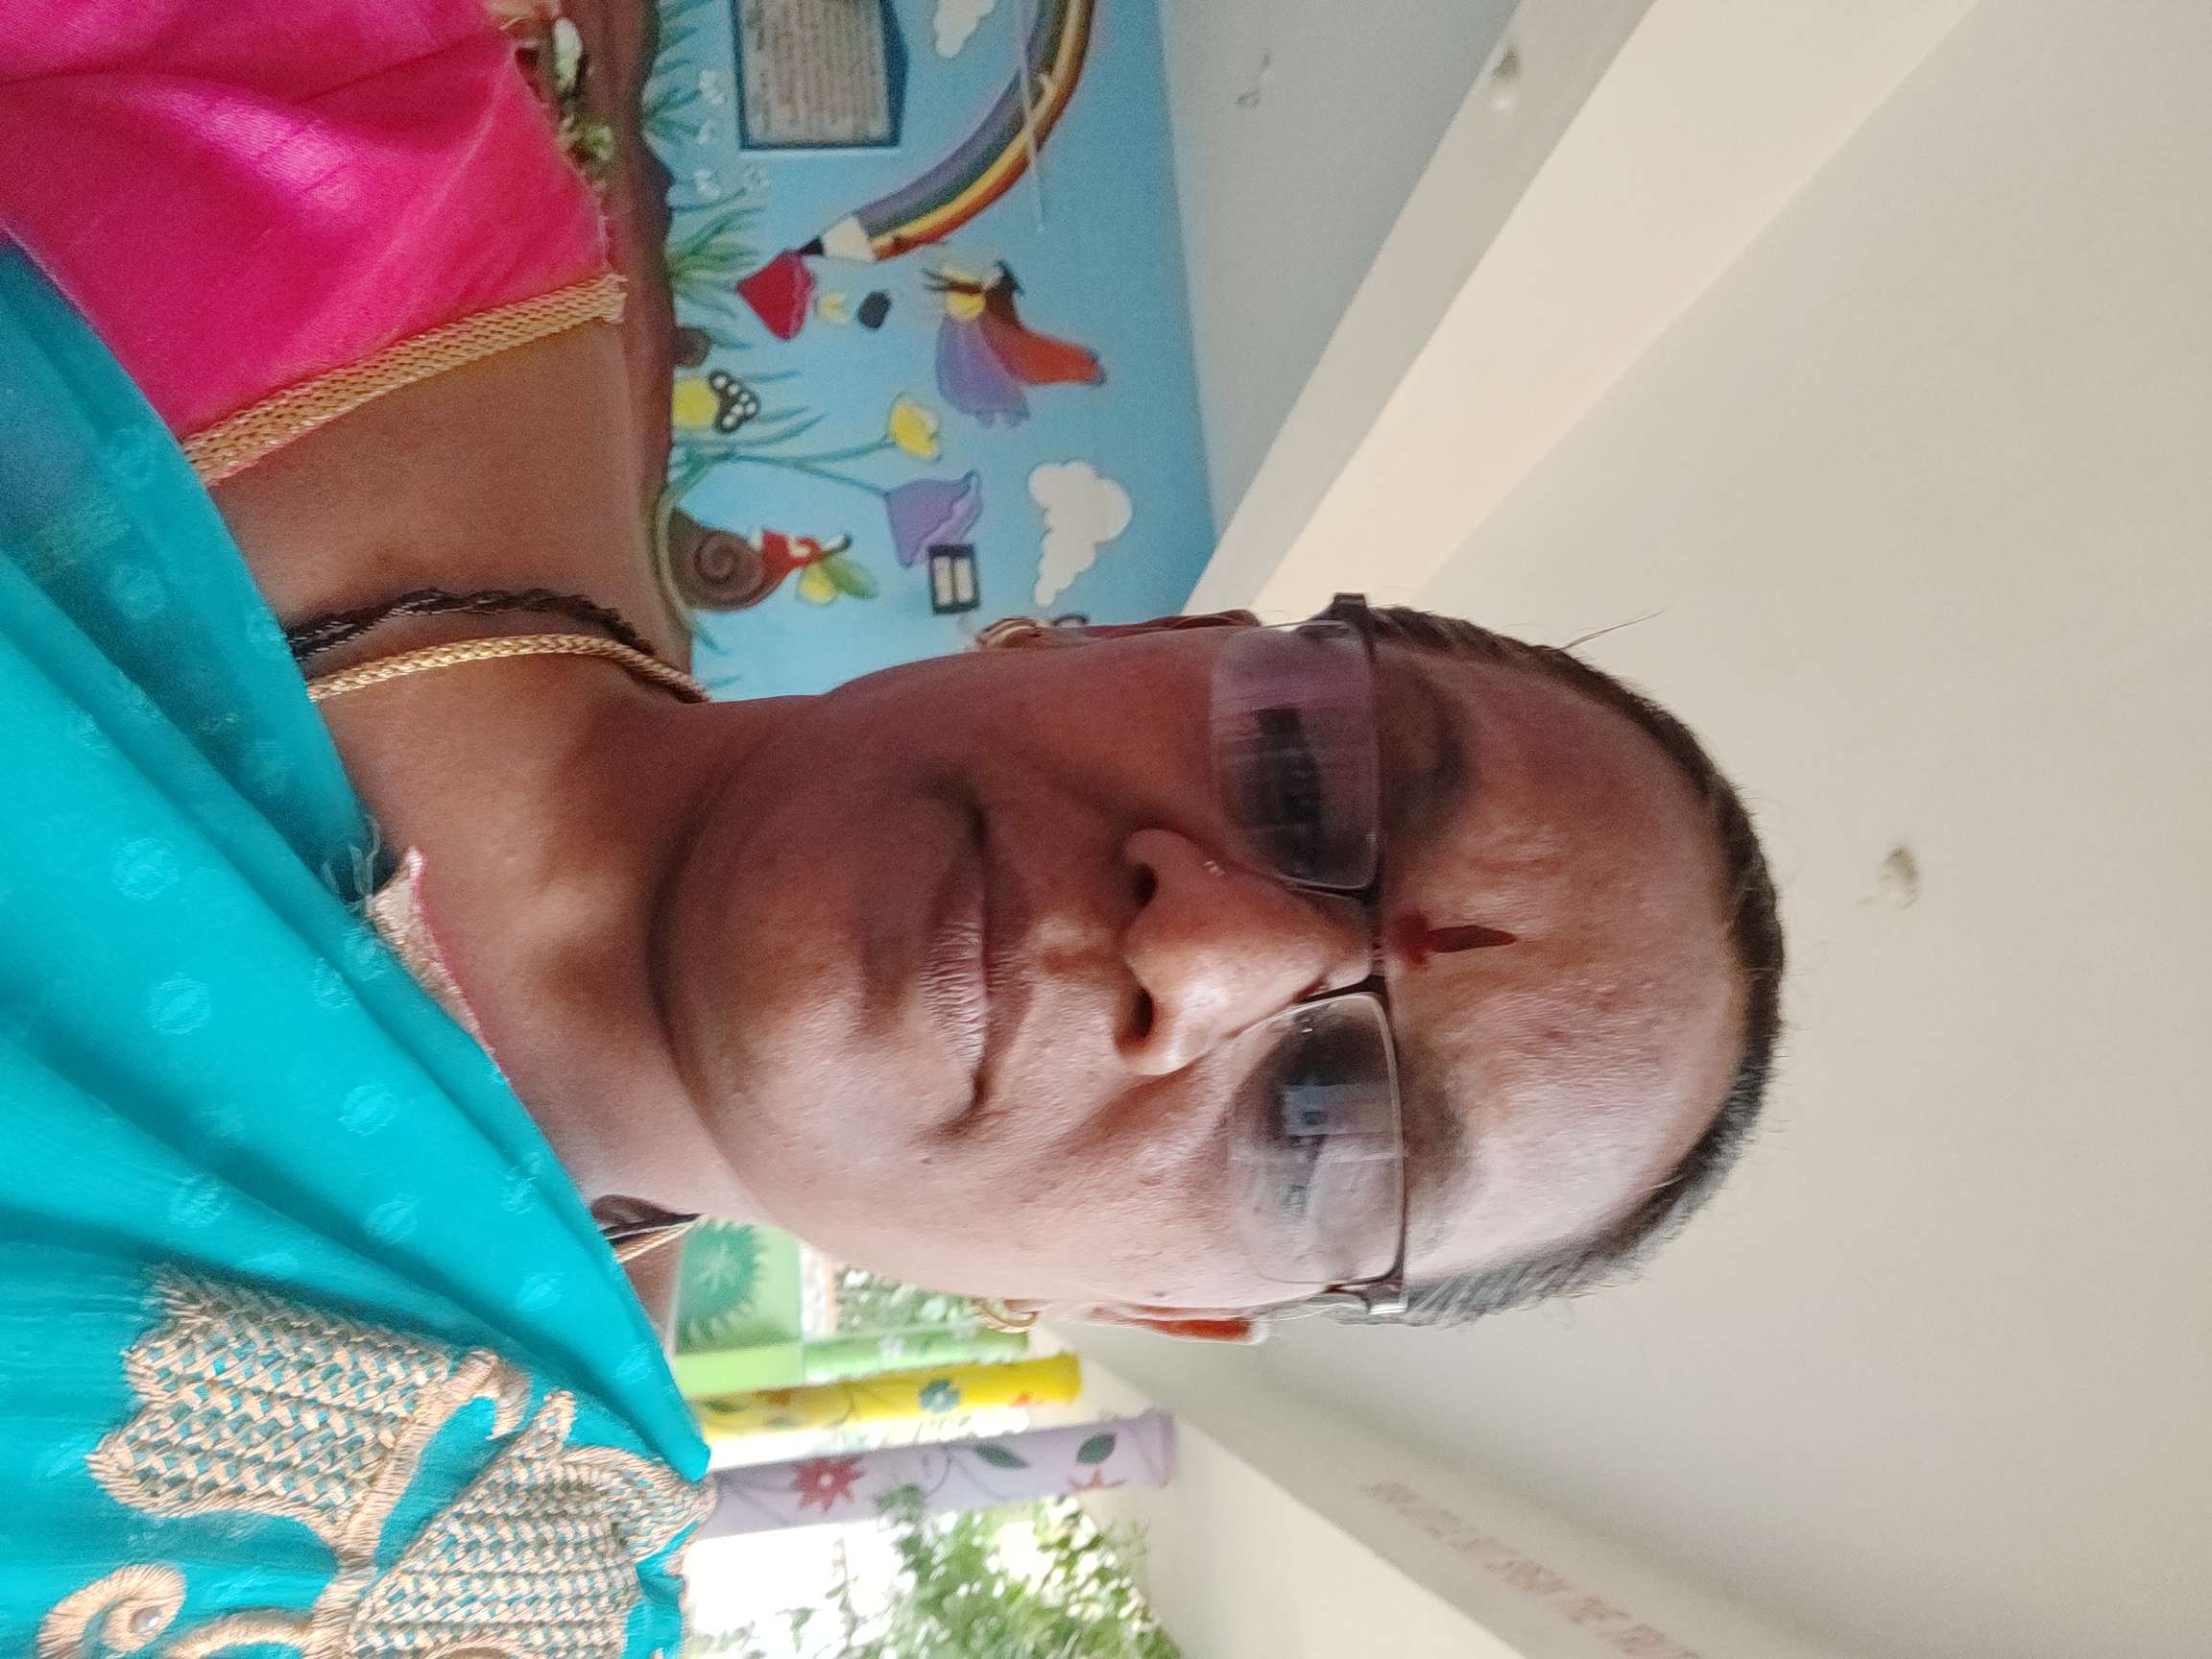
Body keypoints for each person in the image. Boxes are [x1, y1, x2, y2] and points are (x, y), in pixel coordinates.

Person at [0, 0, 1783, 1646]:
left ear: (1152, 1306)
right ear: (1150, 640)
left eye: (1323, 1126)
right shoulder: (317, 115)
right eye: (1308, 776)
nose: (1203, 945)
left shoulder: (453, 1580)